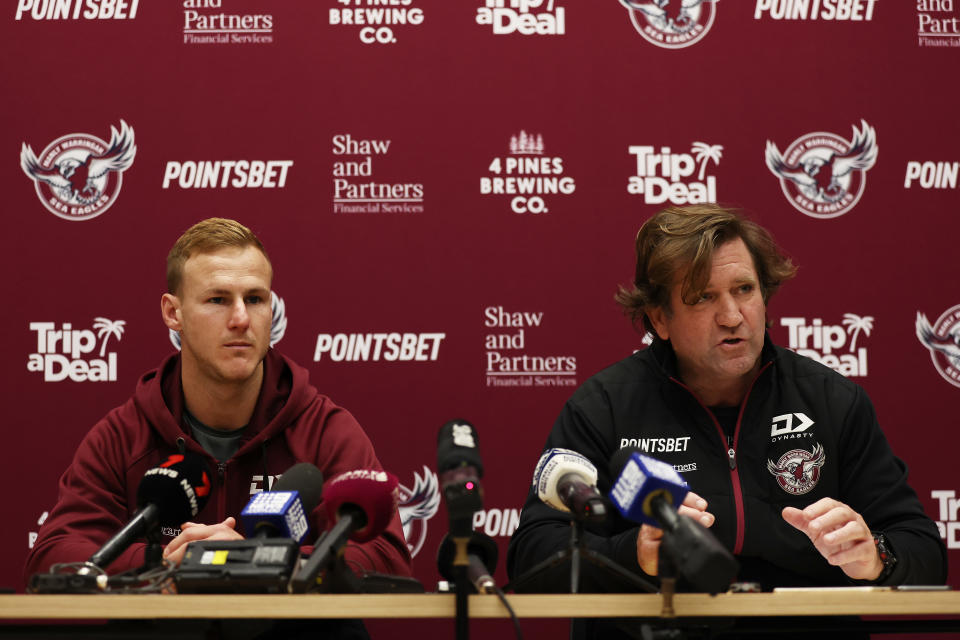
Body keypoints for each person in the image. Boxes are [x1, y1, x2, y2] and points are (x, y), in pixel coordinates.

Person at [507, 204, 947, 635]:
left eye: (744, 290)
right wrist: (634, 553)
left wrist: (875, 556)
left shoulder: (831, 400)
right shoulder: (604, 406)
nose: (733, 317)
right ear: (660, 318)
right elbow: (532, 557)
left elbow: (922, 548)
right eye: (703, 297)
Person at [25, 218, 411, 587]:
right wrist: (165, 563)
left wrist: (255, 561)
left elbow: (384, 555)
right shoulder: (125, 436)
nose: (242, 318)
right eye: (218, 299)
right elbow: (54, 555)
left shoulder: (324, 430)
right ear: (173, 313)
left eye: (256, 298)